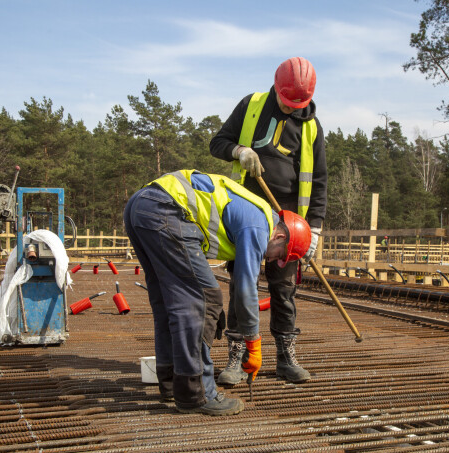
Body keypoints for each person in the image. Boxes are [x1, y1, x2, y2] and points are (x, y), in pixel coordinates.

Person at [123, 169, 311, 416]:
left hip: (140, 206)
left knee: (169, 302)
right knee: (205, 300)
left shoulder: (252, 213)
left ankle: (172, 383)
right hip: (167, 210)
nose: (273, 261)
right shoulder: (260, 225)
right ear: (280, 236)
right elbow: (245, 290)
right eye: (280, 255)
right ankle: (197, 392)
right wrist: (253, 344)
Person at [210, 56, 327, 384]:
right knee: (241, 284)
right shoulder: (251, 106)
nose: (290, 109)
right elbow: (217, 143)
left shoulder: (312, 127)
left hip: (290, 221)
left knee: (284, 289)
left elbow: (319, 181)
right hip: (246, 211)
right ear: (276, 87)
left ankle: (286, 358)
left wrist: (314, 228)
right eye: (286, 101)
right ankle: (236, 359)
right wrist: (239, 152)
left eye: (296, 104)